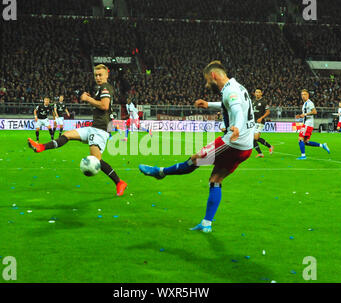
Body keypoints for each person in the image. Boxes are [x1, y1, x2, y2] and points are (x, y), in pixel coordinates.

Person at [139, 60, 255, 233]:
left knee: (194, 159)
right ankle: (206, 223)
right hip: (246, 148)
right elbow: (231, 103)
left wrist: (236, 126)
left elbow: (237, 109)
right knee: (215, 180)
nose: (207, 85)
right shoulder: (236, 87)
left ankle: (161, 172)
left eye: (207, 80)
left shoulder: (230, 90)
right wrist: (209, 105)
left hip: (232, 142)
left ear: (214, 76)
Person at [27, 64, 128, 196]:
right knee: (67, 135)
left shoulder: (105, 87)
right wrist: (89, 98)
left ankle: (119, 182)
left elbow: (104, 106)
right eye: (96, 75)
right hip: (94, 127)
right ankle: (41, 146)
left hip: (100, 129)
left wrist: (87, 99)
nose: (98, 77)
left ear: (107, 75)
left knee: (96, 160)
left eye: (100, 75)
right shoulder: (100, 89)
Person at [295, 89, 330, 160]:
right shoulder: (305, 104)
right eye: (302, 95)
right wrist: (301, 116)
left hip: (308, 124)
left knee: (300, 139)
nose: (303, 96)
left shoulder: (309, 103)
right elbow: (306, 114)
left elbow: (314, 112)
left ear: (308, 95)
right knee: (306, 142)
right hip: (307, 123)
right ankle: (322, 145)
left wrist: (305, 114)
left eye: (304, 94)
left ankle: (303, 156)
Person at [252, 89, 274, 158]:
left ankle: (261, 152)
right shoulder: (253, 101)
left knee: (254, 138)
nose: (257, 93)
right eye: (256, 92)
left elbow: (268, 112)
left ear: (261, 93)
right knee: (255, 138)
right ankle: (269, 147)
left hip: (260, 122)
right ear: (254, 93)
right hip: (253, 122)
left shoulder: (263, 102)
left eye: (259, 92)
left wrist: (261, 118)